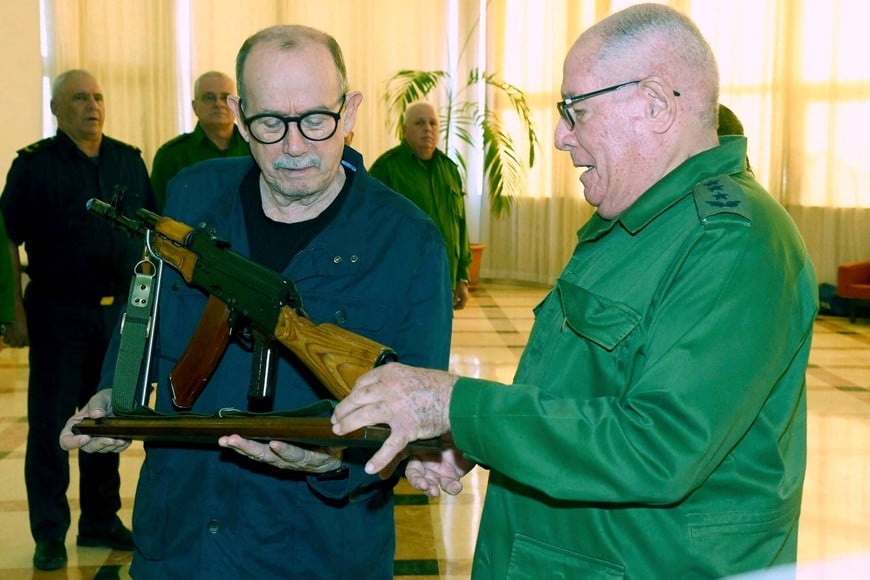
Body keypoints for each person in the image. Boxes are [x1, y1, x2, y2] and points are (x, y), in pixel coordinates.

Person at [332, 4, 818, 579]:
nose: (561, 136)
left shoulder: (735, 245)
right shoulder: (635, 222)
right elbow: (582, 394)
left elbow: (658, 446)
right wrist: (473, 437)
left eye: (576, 110)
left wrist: (453, 404)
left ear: (655, 105)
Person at [60, 25, 453, 579]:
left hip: (316, 550)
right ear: (240, 117)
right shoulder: (193, 194)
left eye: (317, 119)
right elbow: (142, 313)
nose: (294, 146)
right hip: (182, 542)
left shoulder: (409, 243)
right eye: (270, 123)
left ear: (351, 110)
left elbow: (418, 419)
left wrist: (336, 458)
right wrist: (115, 392)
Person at [0, 69, 153, 570]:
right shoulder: (34, 166)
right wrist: (13, 312)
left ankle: (100, 519)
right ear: (57, 109)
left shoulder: (127, 162)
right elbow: (8, 240)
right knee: (50, 425)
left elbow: (153, 234)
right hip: (57, 315)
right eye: (80, 98)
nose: (92, 105)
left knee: (105, 417)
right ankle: (49, 532)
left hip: (117, 319)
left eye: (98, 97)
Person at [370, 101, 472, 309]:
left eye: (433, 123)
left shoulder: (450, 170)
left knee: (440, 340)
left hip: (444, 281)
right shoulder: (386, 168)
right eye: (419, 123)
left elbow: (460, 226)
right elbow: (370, 230)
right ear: (404, 130)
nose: (428, 129)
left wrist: (462, 276)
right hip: (402, 285)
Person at [150, 71, 250, 210]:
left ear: (236, 105)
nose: (218, 104)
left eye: (225, 97)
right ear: (194, 106)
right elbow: (160, 214)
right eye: (209, 97)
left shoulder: (254, 148)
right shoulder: (172, 155)